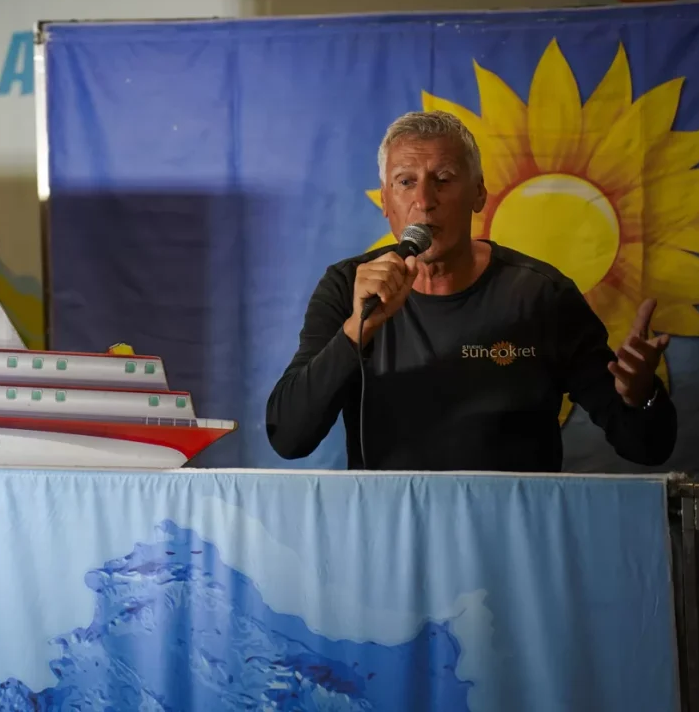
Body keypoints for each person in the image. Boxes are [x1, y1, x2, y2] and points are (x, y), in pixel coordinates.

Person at [265, 111, 676, 471]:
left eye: (443, 180)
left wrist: (641, 395)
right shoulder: (347, 287)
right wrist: (359, 328)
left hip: (512, 528)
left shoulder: (541, 294)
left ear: (479, 193)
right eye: (406, 182)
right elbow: (289, 438)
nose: (424, 201)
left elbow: (647, 448)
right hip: (390, 530)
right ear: (386, 201)